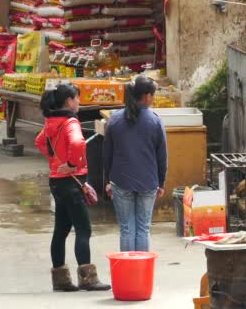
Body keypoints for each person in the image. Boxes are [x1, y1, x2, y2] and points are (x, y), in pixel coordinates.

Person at [35, 84, 111, 292]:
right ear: (69, 100)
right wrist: (71, 164)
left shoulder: (51, 121)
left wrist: (54, 161)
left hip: (57, 182)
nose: (79, 102)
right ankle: (88, 279)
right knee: (83, 229)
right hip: (71, 181)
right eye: (77, 98)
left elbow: (40, 141)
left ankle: (60, 279)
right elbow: (78, 143)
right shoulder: (70, 122)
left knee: (61, 230)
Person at [103, 76, 167, 252]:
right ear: (146, 96)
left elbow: (106, 155)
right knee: (143, 229)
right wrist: (161, 182)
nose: (153, 98)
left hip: (120, 181)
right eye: (153, 95)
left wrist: (107, 181)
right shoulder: (155, 121)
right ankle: (141, 272)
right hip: (148, 181)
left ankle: (127, 271)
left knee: (127, 229)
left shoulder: (114, 120)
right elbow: (162, 157)